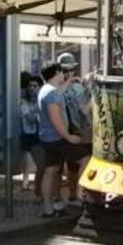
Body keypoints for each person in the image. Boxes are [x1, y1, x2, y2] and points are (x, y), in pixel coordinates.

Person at [37, 62, 84, 218]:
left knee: (51, 170)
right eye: (63, 72)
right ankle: (83, 196)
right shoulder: (53, 94)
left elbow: (59, 92)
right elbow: (55, 118)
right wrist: (68, 137)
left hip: (46, 138)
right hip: (58, 139)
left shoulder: (45, 90)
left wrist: (70, 80)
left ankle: (48, 208)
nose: (64, 74)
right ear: (57, 72)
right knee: (86, 158)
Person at [57, 53, 92, 204]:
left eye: (70, 70)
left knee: (71, 166)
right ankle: (77, 195)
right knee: (81, 163)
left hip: (70, 132)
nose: (69, 73)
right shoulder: (73, 88)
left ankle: (72, 195)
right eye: (66, 71)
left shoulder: (60, 88)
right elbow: (85, 111)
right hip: (75, 132)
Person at [20, 75, 41, 192]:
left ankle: (37, 182)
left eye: (35, 86)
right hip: (27, 132)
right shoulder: (24, 101)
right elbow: (28, 117)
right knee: (26, 159)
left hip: (39, 133)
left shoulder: (41, 100)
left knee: (40, 160)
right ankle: (25, 182)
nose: (32, 88)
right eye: (30, 86)